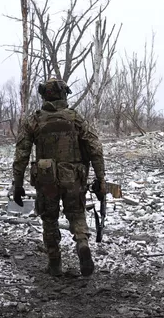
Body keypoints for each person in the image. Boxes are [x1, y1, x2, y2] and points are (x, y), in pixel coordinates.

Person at [12, 78, 106, 277]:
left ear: (44, 96)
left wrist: (17, 185)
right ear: (64, 94)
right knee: (77, 214)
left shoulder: (34, 121)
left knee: (49, 219)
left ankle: (54, 263)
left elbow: (21, 155)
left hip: (47, 180)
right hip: (73, 178)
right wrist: (101, 179)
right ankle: (82, 243)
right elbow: (95, 149)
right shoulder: (75, 118)